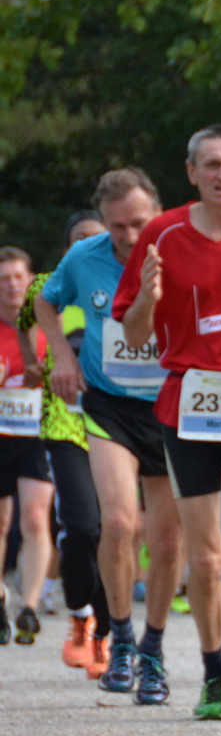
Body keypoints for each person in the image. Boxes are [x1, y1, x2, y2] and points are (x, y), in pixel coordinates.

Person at [112, 125, 221, 721]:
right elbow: (133, 333)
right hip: (187, 408)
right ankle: (214, 670)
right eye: (210, 164)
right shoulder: (162, 234)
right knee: (207, 557)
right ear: (191, 173)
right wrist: (146, 300)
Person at [39, 167, 184, 706]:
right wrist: (62, 354)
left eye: (138, 223)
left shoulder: (179, 250)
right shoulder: (85, 258)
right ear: (105, 221)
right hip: (110, 406)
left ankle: (154, 649)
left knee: (168, 542)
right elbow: (47, 301)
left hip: (173, 407)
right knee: (119, 522)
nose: (128, 235)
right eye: (118, 225)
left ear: (158, 214)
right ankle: (119, 637)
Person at [21, 212, 111, 675]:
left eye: (97, 240)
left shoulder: (126, 280)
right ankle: (80, 618)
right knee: (81, 526)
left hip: (119, 424)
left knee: (116, 529)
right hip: (64, 425)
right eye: (79, 241)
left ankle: (107, 635)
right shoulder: (45, 287)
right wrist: (31, 362)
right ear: (67, 249)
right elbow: (24, 320)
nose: (88, 248)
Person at [0, 248, 53, 645]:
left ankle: (29, 606)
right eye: (4, 279)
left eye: (19, 276)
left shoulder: (49, 324)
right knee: (1, 523)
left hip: (38, 434)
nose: (13, 285)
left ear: (30, 278)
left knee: (35, 519)